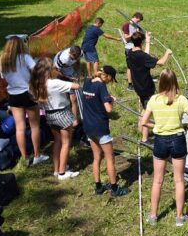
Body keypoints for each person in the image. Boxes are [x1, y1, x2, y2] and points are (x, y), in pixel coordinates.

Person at [138, 69, 188, 227]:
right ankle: (180, 217)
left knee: (157, 180)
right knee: (179, 180)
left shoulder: (153, 100)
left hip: (160, 140)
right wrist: (185, 125)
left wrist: (156, 125)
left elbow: (143, 122)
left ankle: (153, 215)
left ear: (161, 82)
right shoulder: (181, 100)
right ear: (175, 82)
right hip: (178, 140)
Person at [0, 36, 49, 168]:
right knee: (35, 125)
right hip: (28, 92)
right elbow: (36, 69)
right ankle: (37, 156)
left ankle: (25, 158)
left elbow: (3, 77)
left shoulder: (2, 60)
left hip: (13, 95)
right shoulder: (24, 57)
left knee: (20, 127)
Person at [80, 66, 129, 197]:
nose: (110, 82)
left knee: (96, 158)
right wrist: (111, 101)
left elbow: (94, 99)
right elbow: (108, 109)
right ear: (107, 76)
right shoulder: (101, 87)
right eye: (111, 79)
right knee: (110, 159)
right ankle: (114, 188)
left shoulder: (87, 82)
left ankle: (98, 187)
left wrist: (106, 97)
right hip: (100, 127)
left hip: (88, 127)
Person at [29, 58, 80, 180]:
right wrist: (61, 75)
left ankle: (56, 169)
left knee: (57, 141)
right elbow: (76, 86)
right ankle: (62, 172)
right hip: (62, 113)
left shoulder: (37, 85)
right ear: (49, 70)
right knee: (66, 142)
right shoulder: (54, 83)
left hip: (49, 115)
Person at [126, 30, 173, 109]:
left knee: (146, 108)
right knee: (149, 109)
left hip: (137, 86)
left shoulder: (130, 52)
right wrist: (167, 53)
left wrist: (148, 41)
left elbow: (144, 55)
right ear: (142, 42)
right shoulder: (143, 57)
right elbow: (161, 63)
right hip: (146, 87)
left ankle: (142, 120)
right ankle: (142, 121)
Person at [53, 45, 82, 124]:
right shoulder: (63, 59)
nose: (74, 60)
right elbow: (56, 71)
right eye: (73, 58)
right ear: (69, 53)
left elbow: (78, 63)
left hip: (69, 71)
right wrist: (68, 78)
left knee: (74, 97)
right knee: (63, 96)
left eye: (76, 58)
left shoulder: (80, 53)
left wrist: (78, 75)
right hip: (60, 71)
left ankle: (75, 119)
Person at [121, 12, 144, 91]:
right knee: (130, 67)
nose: (138, 22)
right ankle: (130, 85)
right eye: (138, 21)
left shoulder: (137, 26)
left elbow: (141, 35)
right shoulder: (126, 25)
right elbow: (126, 38)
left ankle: (138, 81)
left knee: (138, 65)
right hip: (129, 48)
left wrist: (141, 33)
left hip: (137, 47)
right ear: (135, 17)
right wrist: (134, 34)